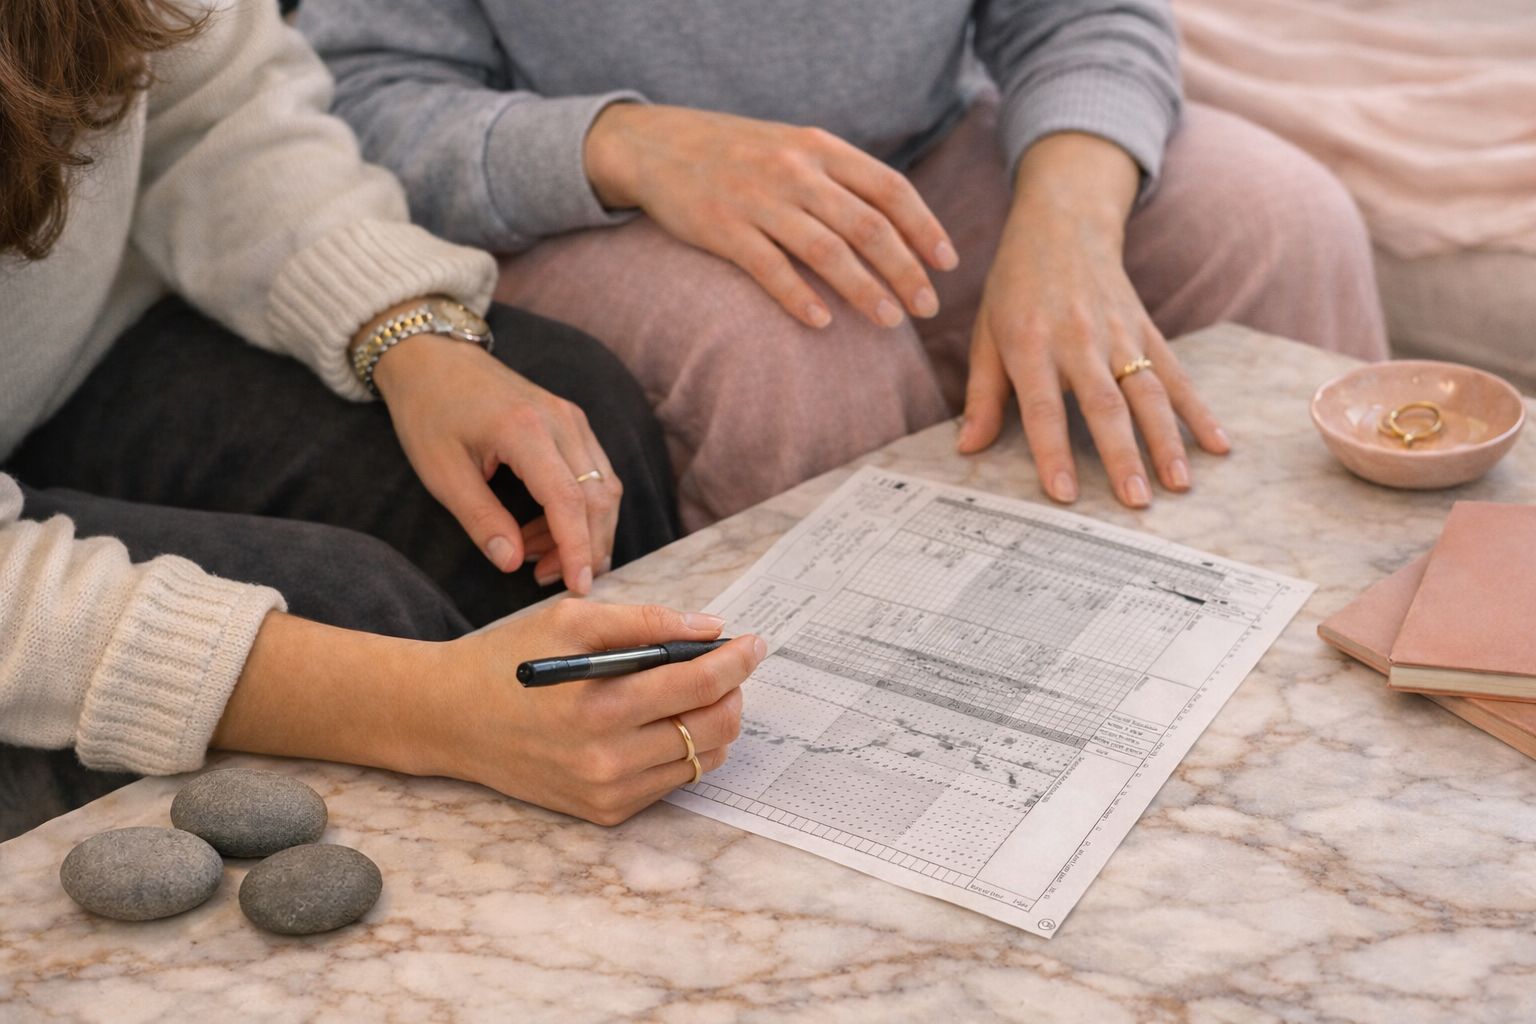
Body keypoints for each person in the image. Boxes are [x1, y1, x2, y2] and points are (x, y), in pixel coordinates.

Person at [0, 0, 758, 840]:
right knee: (349, 603)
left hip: (69, 359)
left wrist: (409, 334)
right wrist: (425, 709)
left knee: (556, 427)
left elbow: (212, 109)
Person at [300, 0, 1389, 533]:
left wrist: (1066, 224)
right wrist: (630, 146)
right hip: (589, 205)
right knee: (803, 340)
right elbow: (360, 105)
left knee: (1276, 221)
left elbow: (1082, 14)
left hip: (921, 153)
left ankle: (1292, 675)